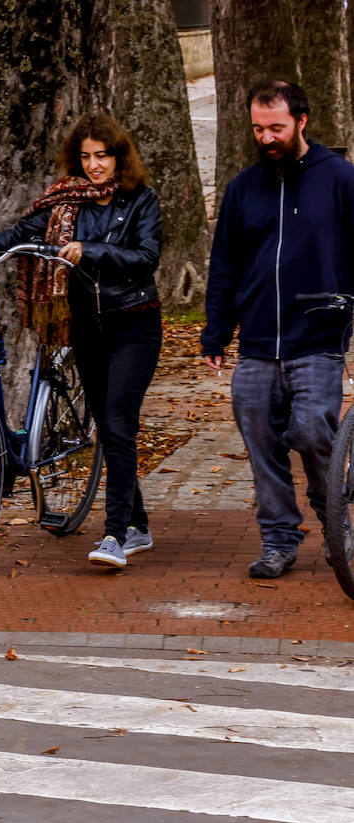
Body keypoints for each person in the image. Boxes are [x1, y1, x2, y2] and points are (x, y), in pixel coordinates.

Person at [0, 111, 163, 568]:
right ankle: (139, 525)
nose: (95, 166)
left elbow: (146, 257)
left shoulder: (140, 200)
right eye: (86, 157)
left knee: (118, 423)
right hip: (87, 327)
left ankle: (114, 535)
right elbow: (19, 232)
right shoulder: (67, 204)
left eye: (103, 156)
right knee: (109, 427)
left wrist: (92, 250)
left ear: (118, 156)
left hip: (134, 325)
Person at [202, 79, 354, 579]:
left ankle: (336, 521)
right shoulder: (244, 188)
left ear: (301, 123)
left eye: (276, 128)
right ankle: (279, 541)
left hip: (318, 340)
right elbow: (224, 264)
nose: (266, 138)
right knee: (263, 445)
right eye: (258, 129)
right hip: (258, 345)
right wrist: (216, 333)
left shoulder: (339, 179)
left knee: (312, 430)